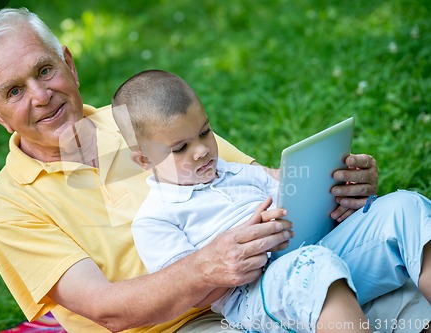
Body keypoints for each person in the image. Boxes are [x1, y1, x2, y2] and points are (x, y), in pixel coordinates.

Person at [0, 7, 429, 333]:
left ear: (69, 65)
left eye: (43, 71)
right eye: (14, 91)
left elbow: (263, 181)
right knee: (333, 287)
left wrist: (333, 186)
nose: (41, 97)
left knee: (405, 226)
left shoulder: (148, 118)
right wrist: (208, 268)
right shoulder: (6, 205)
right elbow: (106, 311)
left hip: (275, 267)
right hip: (176, 325)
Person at [111, 70, 431, 332]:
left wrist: (333, 185)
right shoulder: (156, 219)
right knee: (313, 266)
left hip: (312, 250)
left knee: (406, 207)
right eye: (180, 147)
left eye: (205, 132)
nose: (202, 150)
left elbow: (292, 192)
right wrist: (248, 251)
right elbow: (191, 295)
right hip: (253, 298)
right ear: (143, 160)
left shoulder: (235, 173)